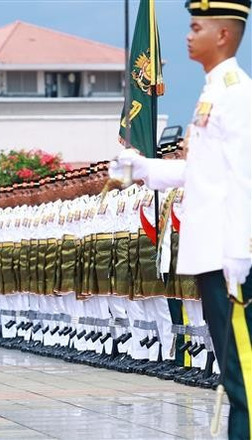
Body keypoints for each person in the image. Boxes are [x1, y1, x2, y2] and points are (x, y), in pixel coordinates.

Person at [111, 2, 251, 437]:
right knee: (234, 375)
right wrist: (143, 168)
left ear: (223, 35)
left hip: (229, 259)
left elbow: (245, 178)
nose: (187, 36)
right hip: (212, 255)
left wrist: (239, 256)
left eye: (196, 27)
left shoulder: (237, 95)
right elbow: (202, 173)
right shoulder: (212, 92)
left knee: (244, 377)